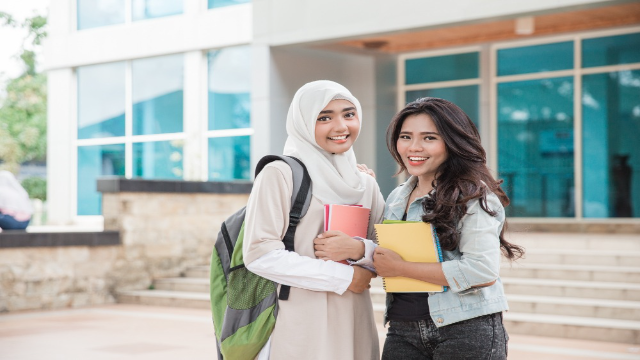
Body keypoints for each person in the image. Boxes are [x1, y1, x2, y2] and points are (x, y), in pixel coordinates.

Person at [315, 97, 524, 359]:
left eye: (429, 138)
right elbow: (384, 253)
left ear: (452, 142)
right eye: (405, 137)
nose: (414, 147)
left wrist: (401, 268)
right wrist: (357, 186)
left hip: (465, 329)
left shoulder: (472, 196)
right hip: (403, 329)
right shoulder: (396, 198)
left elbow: (482, 271)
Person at [242, 80, 385, 360]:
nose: (341, 126)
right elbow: (259, 253)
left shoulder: (365, 184)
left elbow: (387, 250)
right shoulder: (280, 174)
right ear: (304, 122)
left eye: (349, 114)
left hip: (355, 318)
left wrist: (359, 250)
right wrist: (346, 277)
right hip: (299, 322)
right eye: (324, 117)